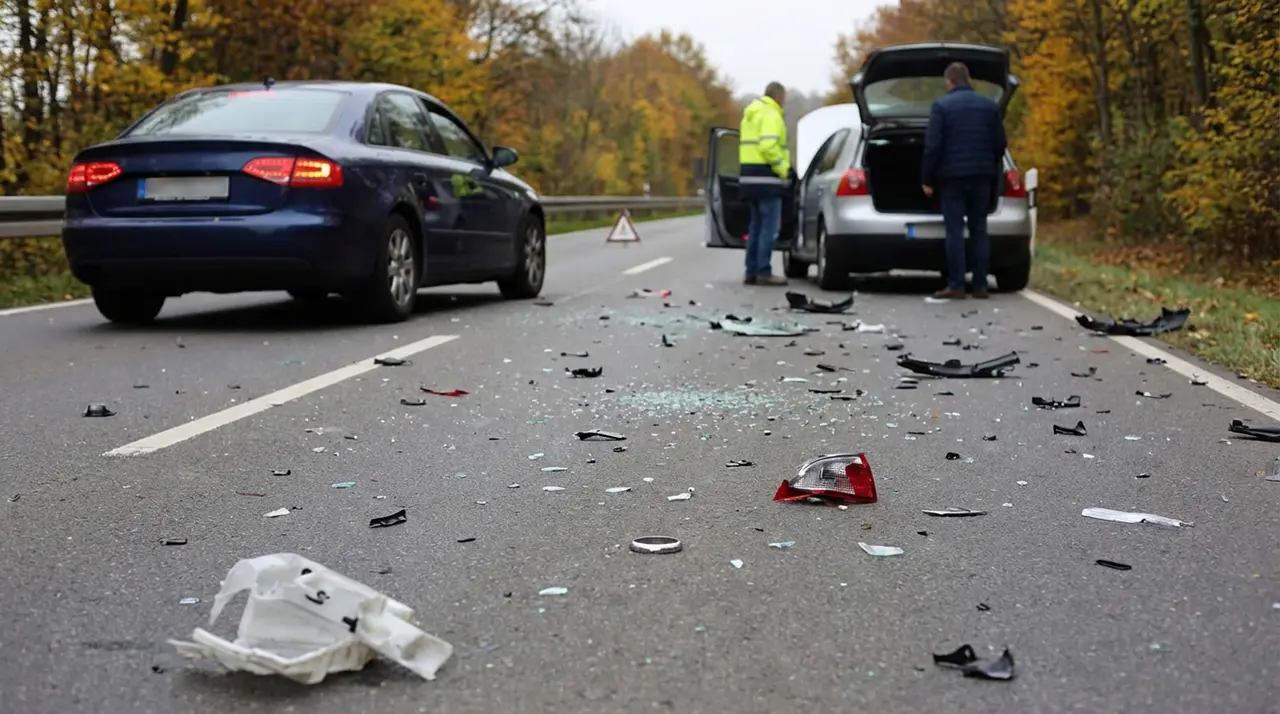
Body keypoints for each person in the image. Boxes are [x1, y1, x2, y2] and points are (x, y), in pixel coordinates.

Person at [921, 62, 1008, 300]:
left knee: (955, 230)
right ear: (969, 79)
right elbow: (1000, 144)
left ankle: (957, 285)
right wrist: (989, 165)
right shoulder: (989, 105)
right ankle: (980, 286)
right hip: (982, 177)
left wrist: (927, 179)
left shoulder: (941, 106)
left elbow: (933, 146)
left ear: (949, 82)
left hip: (952, 179)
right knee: (979, 229)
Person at [737, 81, 792, 286]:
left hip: (748, 177)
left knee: (756, 226)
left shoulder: (750, 115)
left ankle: (751, 271)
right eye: (784, 98)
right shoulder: (771, 114)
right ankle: (763, 271)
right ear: (778, 96)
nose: (784, 102)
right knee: (769, 227)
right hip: (766, 178)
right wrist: (783, 169)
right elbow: (768, 146)